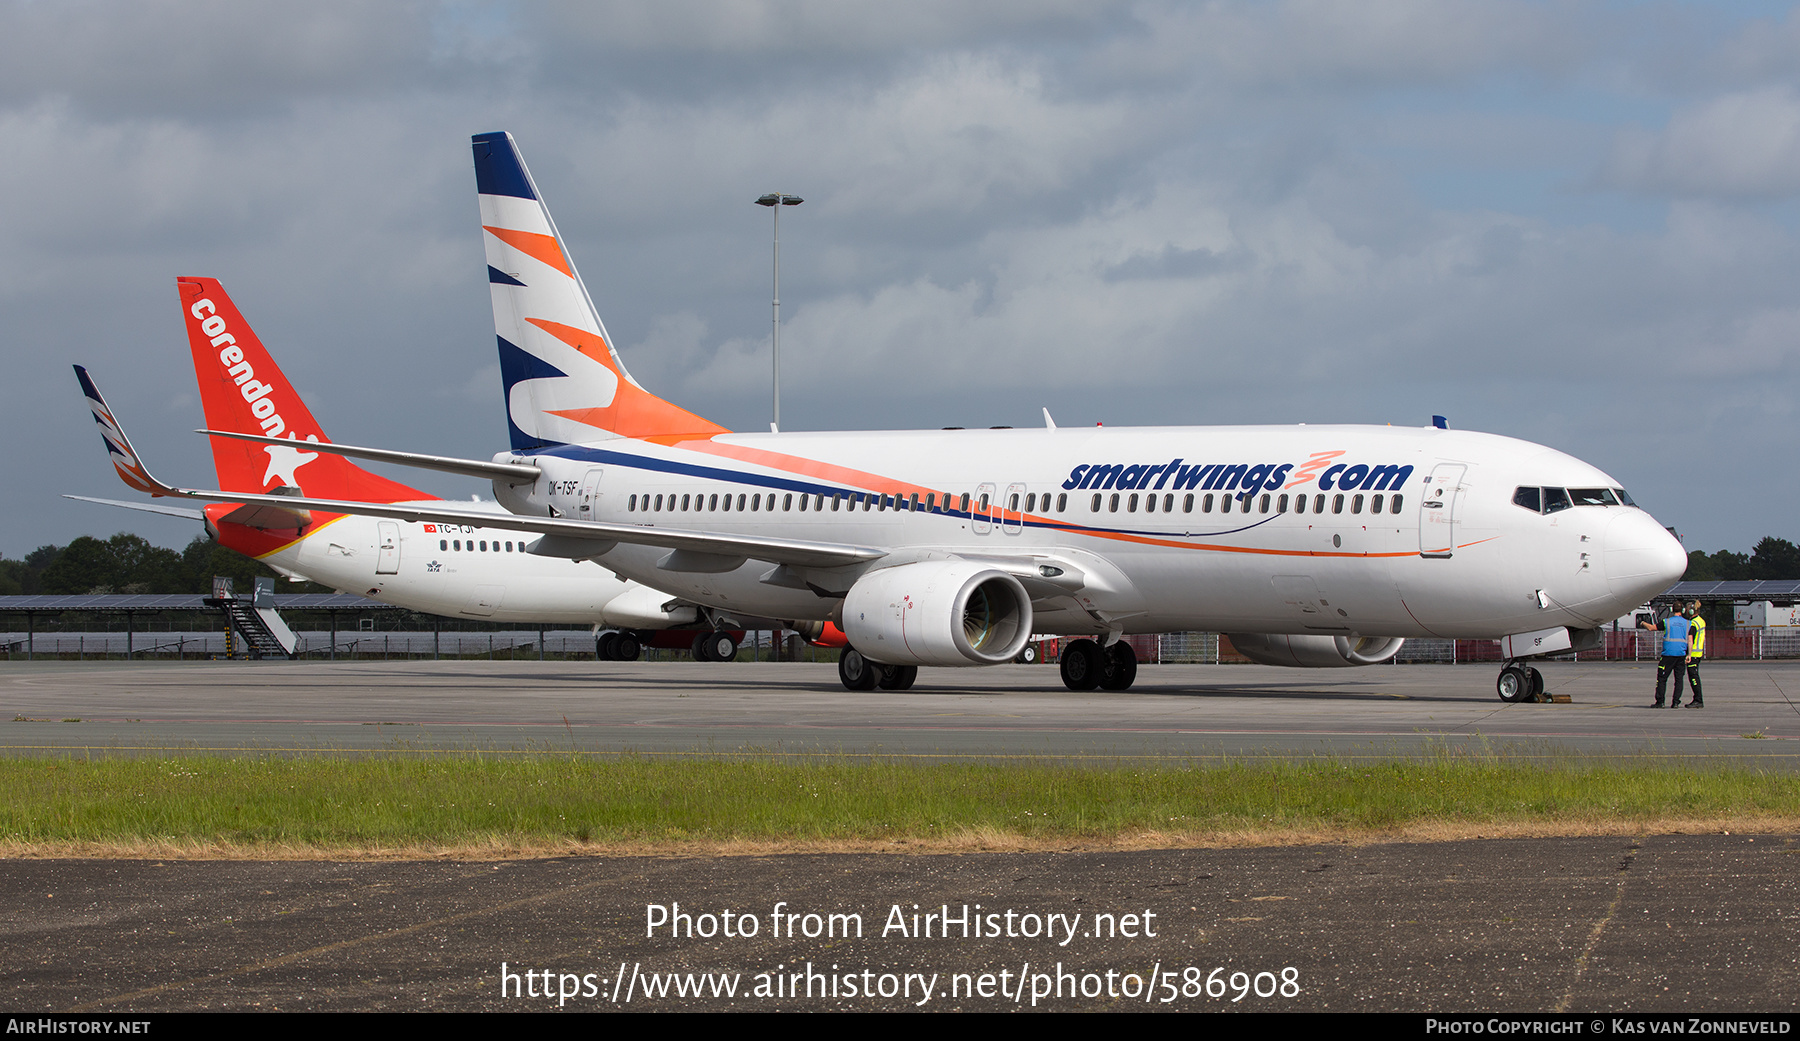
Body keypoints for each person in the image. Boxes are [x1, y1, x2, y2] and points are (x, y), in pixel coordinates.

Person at [1639, 607, 1691, 708]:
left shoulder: (1667, 622)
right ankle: (1676, 702)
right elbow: (1690, 639)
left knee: (1662, 678)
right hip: (1681, 654)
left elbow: (1651, 628)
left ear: (1672, 610)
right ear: (1683, 610)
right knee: (1679, 679)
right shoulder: (1688, 623)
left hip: (1668, 654)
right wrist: (1689, 654)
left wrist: (1643, 623)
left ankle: (1660, 702)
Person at [1684, 600, 1705, 708]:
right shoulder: (1701, 621)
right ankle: (1697, 698)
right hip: (1699, 653)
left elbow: (1690, 639)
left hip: (1694, 654)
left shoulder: (1693, 623)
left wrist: (1689, 654)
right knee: (1695, 676)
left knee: (1693, 677)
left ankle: (1698, 699)